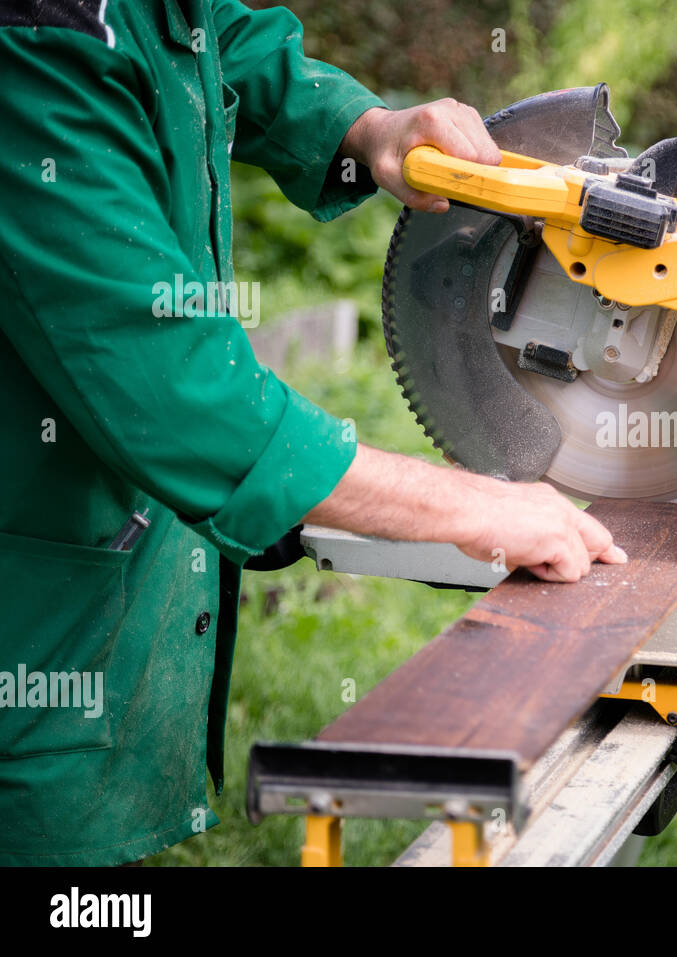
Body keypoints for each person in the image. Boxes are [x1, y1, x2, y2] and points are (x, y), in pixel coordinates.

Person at [0, 0, 625, 865]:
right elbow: (184, 403)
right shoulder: (34, 45)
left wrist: (364, 124)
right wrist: (474, 504)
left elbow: (220, 36)